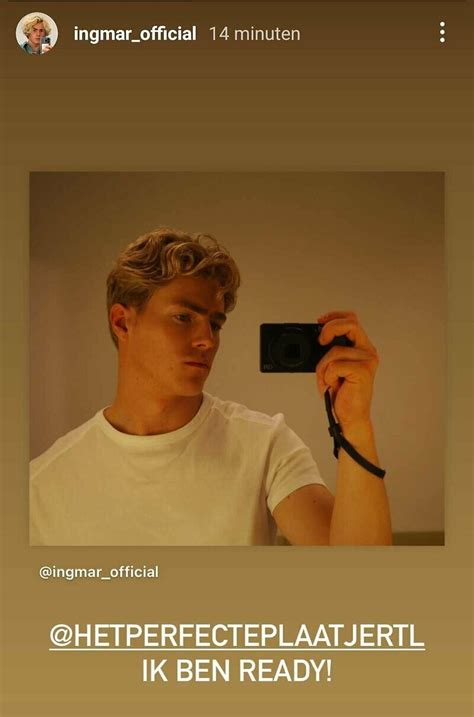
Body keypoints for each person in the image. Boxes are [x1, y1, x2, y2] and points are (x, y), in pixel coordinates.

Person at [30, 228, 392, 546]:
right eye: (183, 317)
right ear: (122, 323)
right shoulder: (41, 486)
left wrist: (356, 424)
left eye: (215, 324)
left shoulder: (264, 446)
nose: (207, 339)